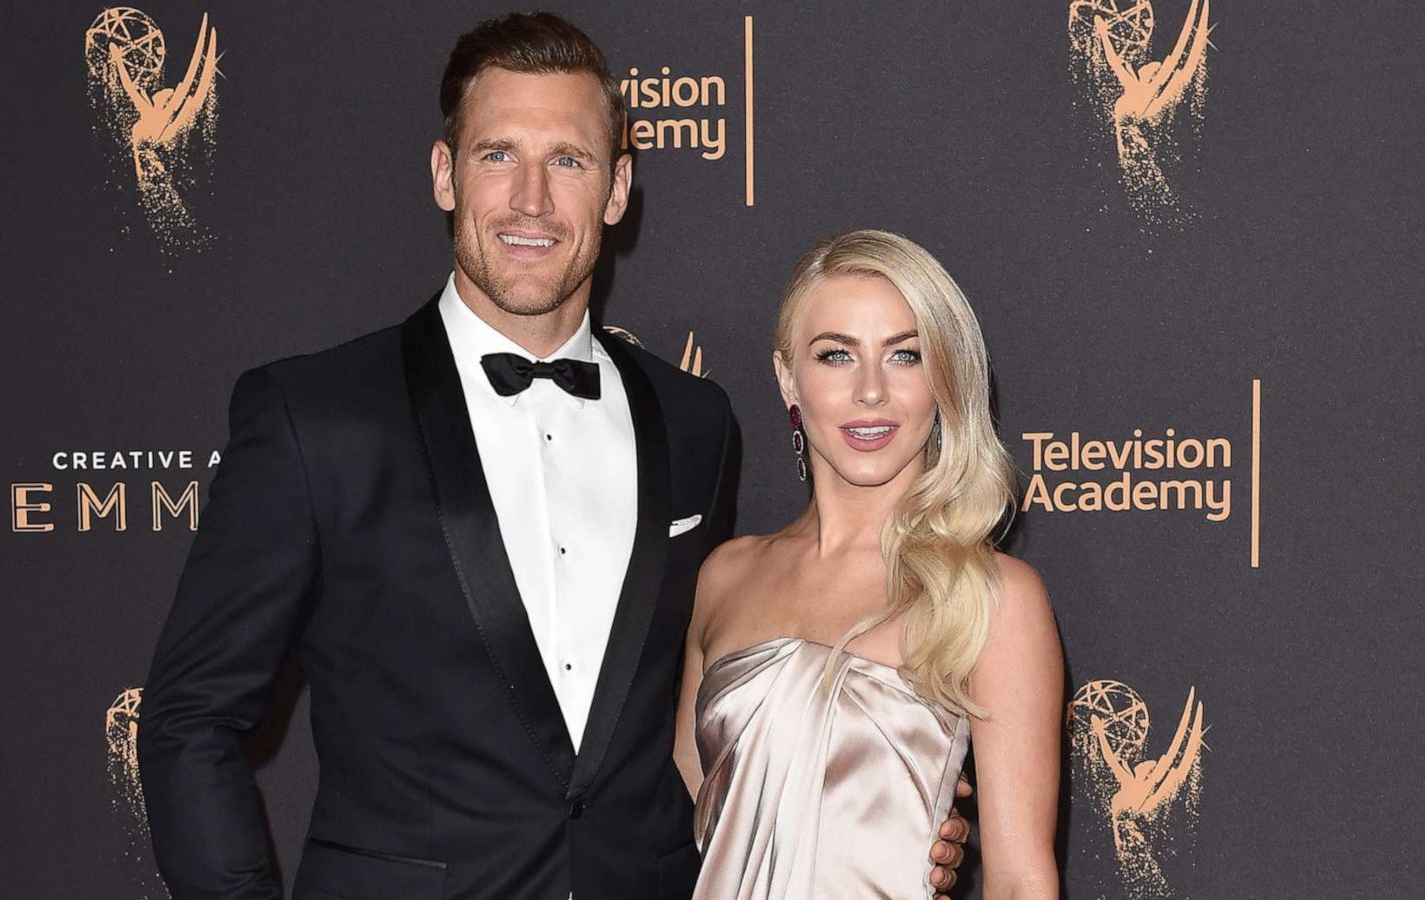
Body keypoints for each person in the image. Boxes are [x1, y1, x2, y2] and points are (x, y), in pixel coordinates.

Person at [137, 14, 970, 900]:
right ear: (443, 175)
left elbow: (706, 731)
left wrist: (871, 817)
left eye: (567, 161)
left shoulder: (693, 421)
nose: (531, 200)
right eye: (499, 155)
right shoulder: (316, 416)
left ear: (616, 190)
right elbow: (189, 719)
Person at [675, 231, 1062, 899]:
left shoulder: (994, 597)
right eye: (836, 356)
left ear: (943, 379)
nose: (872, 392)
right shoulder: (725, 576)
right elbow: (696, 808)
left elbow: (1022, 880)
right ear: (787, 379)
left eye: (905, 356)